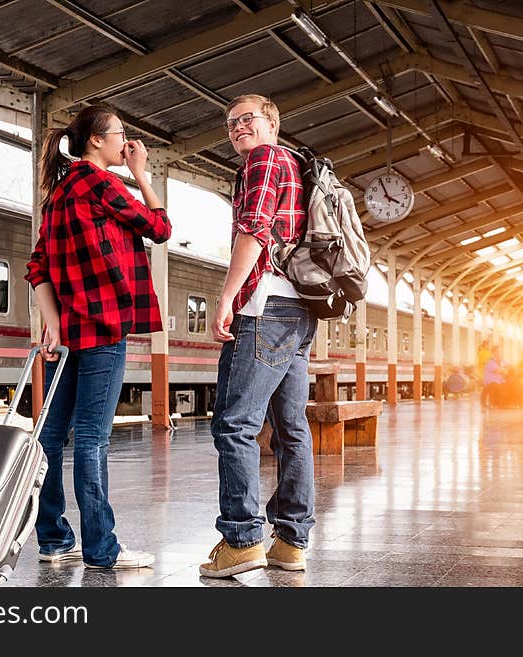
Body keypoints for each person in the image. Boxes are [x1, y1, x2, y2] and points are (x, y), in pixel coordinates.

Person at [25, 105, 171, 569]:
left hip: (67, 336)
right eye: (120, 134)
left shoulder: (59, 192)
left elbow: (37, 267)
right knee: (91, 440)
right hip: (104, 329)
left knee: (49, 437)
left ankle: (52, 541)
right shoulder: (103, 184)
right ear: (96, 141)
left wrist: (53, 323)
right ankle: (101, 550)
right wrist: (140, 173)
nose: (124, 141)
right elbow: (160, 229)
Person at [200, 94, 318, 578]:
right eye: (231, 124)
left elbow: (254, 228)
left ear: (272, 122)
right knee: (292, 430)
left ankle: (242, 537)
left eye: (247, 119)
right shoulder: (295, 162)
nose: (237, 128)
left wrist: (227, 297)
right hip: (299, 309)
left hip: (265, 306)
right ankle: (291, 542)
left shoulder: (266, 158)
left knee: (235, 424)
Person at [477, 339, 492, 407]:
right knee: (485, 387)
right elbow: (482, 362)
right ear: (485, 345)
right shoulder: (481, 352)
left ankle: (486, 402)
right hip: (483, 372)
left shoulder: (488, 352)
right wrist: (488, 361)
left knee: (487, 387)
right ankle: (483, 402)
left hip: (489, 372)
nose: (489, 346)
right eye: (488, 345)